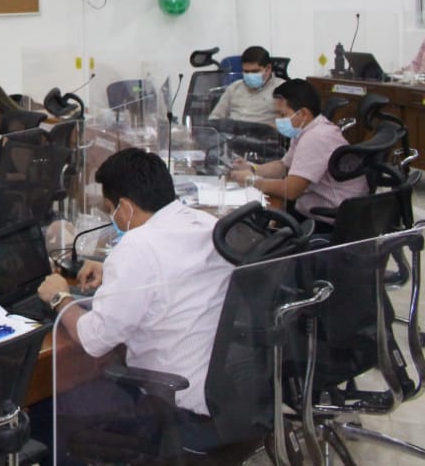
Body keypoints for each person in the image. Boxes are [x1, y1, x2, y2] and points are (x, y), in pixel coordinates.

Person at [32, 148, 234, 456]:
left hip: (173, 404)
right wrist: (115, 272)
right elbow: (175, 272)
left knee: (45, 411)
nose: (111, 217)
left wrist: (60, 297)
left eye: (109, 209)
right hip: (225, 395)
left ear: (125, 207)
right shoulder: (205, 223)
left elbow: (94, 339)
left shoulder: (137, 246)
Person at [227, 79, 367, 222]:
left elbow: (291, 190)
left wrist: (252, 181)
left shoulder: (316, 137)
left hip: (329, 219)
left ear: (303, 113)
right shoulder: (308, 128)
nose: (277, 120)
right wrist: (252, 168)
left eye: (282, 115)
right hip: (319, 209)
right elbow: (282, 166)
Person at [208, 45, 286, 125]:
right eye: (246, 71)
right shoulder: (234, 87)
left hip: (262, 131)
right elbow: (215, 117)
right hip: (231, 131)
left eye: (254, 71)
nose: (249, 75)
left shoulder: (282, 89)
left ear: (268, 69)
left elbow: (286, 122)